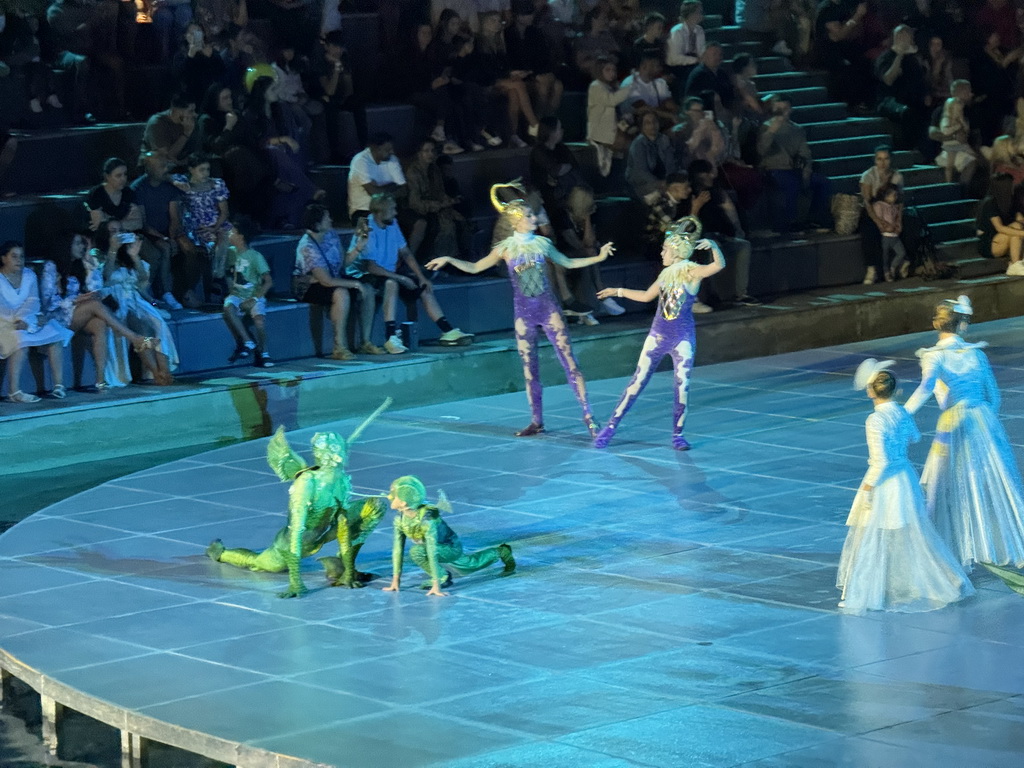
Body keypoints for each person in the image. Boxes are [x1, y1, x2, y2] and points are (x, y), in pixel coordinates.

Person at [427, 184, 614, 437]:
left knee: (570, 364)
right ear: (516, 221)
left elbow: (568, 262)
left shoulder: (542, 244)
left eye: (532, 214)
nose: (534, 218)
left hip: (549, 311)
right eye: (528, 215)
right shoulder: (505, 248)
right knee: (530, 369)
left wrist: (599, 257)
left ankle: (589, 416)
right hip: (524, 315)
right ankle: (537, 420)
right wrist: (449, 259)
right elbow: (474, 268)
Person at [836, 358, 974, 614]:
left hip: (886, 482)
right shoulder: (900, 411)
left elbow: (881, 461)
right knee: (914, 532)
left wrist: (867, 488)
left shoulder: (874, 421)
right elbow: (915, 436)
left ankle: (869, 592)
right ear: (894, 390)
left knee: (873, 536)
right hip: (905, 478)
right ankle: (943, 580)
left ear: (870, 391)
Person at [207, 407, 392, 597]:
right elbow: (297, 529)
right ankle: (221, 553)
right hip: (292, 543)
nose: (343, 451)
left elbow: (343, 523)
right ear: (327, 453)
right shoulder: (307, 482)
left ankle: (341, 565)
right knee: (260, 563)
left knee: (374, 507)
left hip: (326, 532)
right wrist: (296, 581)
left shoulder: (341, 479)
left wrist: (348, 570)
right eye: (337, 447)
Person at [904, 297, 1024, 570]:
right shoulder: (976, 354)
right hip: (981, 419)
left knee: (948, 483)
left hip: (953, 423)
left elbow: (925, 389)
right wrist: (985, 420)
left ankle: (949, 547)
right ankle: (994, 541)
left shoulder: (934, 357)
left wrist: (902, 414)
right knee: (990, 479)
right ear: (962, 325)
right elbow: (993, 394)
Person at [594, 217, 723, 451]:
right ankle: (610, 428)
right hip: (657, 335)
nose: (661, 253)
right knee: (637, 382)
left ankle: (678, 435)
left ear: (674, 251)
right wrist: (618, 291)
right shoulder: (665, 275)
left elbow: (717, 266)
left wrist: (714, 247)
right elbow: (645, 296)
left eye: (664, 249)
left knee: (681, 386)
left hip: (682, 338)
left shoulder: (691, 272)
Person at [359, 193, 474, 351]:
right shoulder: (367, 226)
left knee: (423, 286)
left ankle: (447, 331)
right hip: (371, 276)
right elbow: (370, 267)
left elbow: (405, 253)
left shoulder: (392, 224)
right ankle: (391, 337)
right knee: (391, 283)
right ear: (380, 212)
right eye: (392, 209)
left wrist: (421, 277)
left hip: (392, 273)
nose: (395, 212)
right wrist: (400, 278)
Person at [43, 233, 149, 391]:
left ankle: (100, 380)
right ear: (66, 246)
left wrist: (91, 266)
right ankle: (133, 337)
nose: (83, 247)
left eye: (84, 245)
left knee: (99, 323)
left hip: (79, 313)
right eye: (78, 244)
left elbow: (96, 291)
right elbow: (48, 303)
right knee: (94, 305)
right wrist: (75, 300)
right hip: (57, 317)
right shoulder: (51, 267)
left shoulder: (81, 264)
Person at [383, 475, 515, 597]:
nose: (390, 497)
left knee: (471, 564)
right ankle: (443, 575)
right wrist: (396, 580)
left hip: (450, 548)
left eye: (394, 496)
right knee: (467, 564)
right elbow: (397, 549)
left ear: (404, 503)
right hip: (433, 547)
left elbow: (432, 550)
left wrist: (436, 584)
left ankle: (502, 551)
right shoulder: (400, 519)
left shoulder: (428, 520)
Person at [293, 203, 383, 360]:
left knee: (367, 289)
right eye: (327, 218)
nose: (331, 220)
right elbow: (326, 281)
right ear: (317, 224)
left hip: (333, 278)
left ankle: (365, 341)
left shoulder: (331, 235)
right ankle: (339, 346)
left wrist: (358, 247)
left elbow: (343, 264)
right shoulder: (307, 247)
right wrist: (355, 284)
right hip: (309, 286)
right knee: (341, 292)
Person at [0, 241, 72, 402]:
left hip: (28, 319)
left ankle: (59, 386)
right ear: (4, 258)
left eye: (21, 256)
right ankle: (14, 392)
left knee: (55, 332)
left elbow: (33, 301)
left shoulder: (29, 275)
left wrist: (25, 319)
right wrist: (16, 321)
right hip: (4, 324)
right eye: (14, 256)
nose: (19, 260)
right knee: (20, 340)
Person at [100, 237, 178, 386]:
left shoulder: (128, 257)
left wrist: (134, 256)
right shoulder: (101, 256)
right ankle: (156, 373)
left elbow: (143, 281)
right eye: (112, 232)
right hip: (115, 302)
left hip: (136, 300)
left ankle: (165, 372)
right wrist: (113, 249)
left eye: (119, 232)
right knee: (142, 328)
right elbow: (106, 276)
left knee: (158, 326)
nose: (118, 236)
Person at [756, 95, 831, 235]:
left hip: (794, 169)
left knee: (822, 182)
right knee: (791, 183)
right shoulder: (765, 127)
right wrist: (772, 130)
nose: (782, 112)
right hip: (774, 169)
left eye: (785, 108)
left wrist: (806, 171)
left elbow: (805, 153)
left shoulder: (797, 129)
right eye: (779, 109)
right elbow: (761, 150)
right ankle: (789, 223)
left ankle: (814, 219)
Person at [171, 153, 231, 304]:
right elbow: (167, 176)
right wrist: (176, 182)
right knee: (205, 248)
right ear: (191, 169)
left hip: (216, 224)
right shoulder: (183, 183)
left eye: (207, 169)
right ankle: (208, 288)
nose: (205, 173)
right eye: (201, 170)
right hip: (195, 226)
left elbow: (224, 212)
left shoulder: (217, 184)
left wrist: (215, 227)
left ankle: (219, 277)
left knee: (225, 238)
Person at [131, 151, 183, 310]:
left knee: (173, 248)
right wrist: (165, 239)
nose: (166, 169)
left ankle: (167, 292)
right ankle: (150, 289)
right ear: (149, 169)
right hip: (146, 233)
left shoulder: (169, 187)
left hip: (166, 233)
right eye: (162, 166)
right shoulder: (138, 188)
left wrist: (172, 238)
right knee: (161, 250)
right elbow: (143, 222)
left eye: (166, 165)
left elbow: (174, 218)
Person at [222, 217, 273, 368]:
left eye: (232, 232)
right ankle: (248, 341)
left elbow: (268, 281)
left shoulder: (255, 256)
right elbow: (229, 273)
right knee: (228, 307)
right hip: (237, 294)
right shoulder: (231, 253)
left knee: (259, 321)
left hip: (254, 295)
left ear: (241, 236)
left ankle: (264, 353)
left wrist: (255, 299)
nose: (229, 234)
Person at [874, 25, 930, 151]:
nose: (904, 39)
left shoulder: (914, 59)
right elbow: (888, 80)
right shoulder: (886, 57)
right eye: (901, 36)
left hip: (911, 98)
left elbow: (921, 80)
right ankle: (905, 150)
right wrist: (899, 56)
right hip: (890, 100)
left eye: (907, 35)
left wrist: (926, 94)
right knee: (907, 113)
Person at [859, 145, 905, 284]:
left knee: (911, 225)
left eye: (886, 159)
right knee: (869, 230)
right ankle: (872, 268)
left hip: (891, 211)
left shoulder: (897, 176)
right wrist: (879, 222)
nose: (882, 163)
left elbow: (900, 201)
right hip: (873, 211)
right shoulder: (868, 176)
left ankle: (903, 263)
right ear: (875, 160)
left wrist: (898, 221)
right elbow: (867, 202)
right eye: (879, 159)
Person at [586, 57, 632, 177]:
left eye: (613, 70)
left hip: (615, 128)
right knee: (630, 146)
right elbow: (611, 101)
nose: (612, 73)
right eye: (608, 70)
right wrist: (630, 88)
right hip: (601, 131)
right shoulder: (596, 86)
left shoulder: (613, 87)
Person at [347, 132, 406, 222]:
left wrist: (380, 189)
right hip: (363, 210)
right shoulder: (361, 161)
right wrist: (393, 185)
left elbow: (404, 190)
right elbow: (374, 193)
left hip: (389, 209)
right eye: (388, 150)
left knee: (417, 221)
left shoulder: (392, 159)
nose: (392, 152)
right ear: (376, 149)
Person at [976, 173, 1024, 274]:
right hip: (990, 243)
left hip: (1004, 237)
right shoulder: (990, 203)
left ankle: (1016, 263)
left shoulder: (1011, 201)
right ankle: (1015, 265)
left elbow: (1019, 219)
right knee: (1016, 231)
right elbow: (999, 228)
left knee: (1017, 229)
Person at [934, 79, 979, 185]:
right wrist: (953, 137)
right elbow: (933, 133)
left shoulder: (969, 111)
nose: (971, 94)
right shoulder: (942, 111)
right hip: (948, 149)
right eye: (967, 91)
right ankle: (959, 191)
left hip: (963, 147)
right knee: (969, 162)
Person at [626, 112, 678, 204]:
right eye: (647, 123)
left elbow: (670, 164)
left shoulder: (664, 139)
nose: (652, 125)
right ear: (642, 126)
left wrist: (669, 180)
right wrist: (659, 183)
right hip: (642, 183)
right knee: (657, 193)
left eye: (654, 122)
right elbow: (641, 171)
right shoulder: (638, 144)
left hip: (663, 180)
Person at [141, 92, 201, 166]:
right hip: (157, 167)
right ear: (176, 110)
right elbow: (165, 157)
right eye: (190, 111)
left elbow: (196, 152)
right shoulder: (157, 123)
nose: (195, 115)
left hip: (183, 166)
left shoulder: (192, 122)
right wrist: (186, 133)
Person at [86, 158, 142, 236]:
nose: (123, 179)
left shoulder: (128, 192)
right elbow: (100, 227)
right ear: (107, 176)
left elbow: (138, 223)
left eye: (125, 174)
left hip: (126, 237)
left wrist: (109, 222)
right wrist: (126, 222)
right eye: (118, 176)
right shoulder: (97, 193)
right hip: (104, 239)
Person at [666, 0, 705, 100]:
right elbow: (673, 58)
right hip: (678, 68)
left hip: (694, 64)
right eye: (699, 12)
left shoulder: (699, 30)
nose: (702, 14)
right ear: (691, 14)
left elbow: (701, 52)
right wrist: (695, 60)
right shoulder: (677, 31)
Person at [872, 184, 908, 282]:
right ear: (886, 196)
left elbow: (896, 218)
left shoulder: (894, 207)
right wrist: (886, 226)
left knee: (901, 252)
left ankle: (893, 267)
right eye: (893, 195)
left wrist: (897, 225)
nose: (895, 198)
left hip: (894, 235)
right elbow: (879, 218)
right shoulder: (879, 205)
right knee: (885, 256)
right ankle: (886, 273)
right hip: (885, 235)